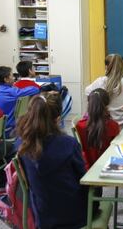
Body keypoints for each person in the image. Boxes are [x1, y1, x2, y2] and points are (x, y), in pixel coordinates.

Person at [16, 92, 88, 229]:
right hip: (74, 216)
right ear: (58, 119)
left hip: (42, 217)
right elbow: (83, 179)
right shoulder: (69, 144)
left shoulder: (22, 145)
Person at [85, 54, 123, 127]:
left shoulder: (100, 81)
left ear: (106, 67)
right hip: (122, 128)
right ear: (122, 67)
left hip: (102, 127)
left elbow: (87, 92)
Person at [76, 88, 120, 169]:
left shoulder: (79, 126)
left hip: (87, 170)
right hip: (108, 168)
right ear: (107, 104)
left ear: (89, 103)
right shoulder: (113, 126)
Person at [0, 66, 39, 137]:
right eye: (12, 76)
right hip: (8, 130)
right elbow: (35, 89)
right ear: (6, 79)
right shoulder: (11, 92)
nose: (14, 78)